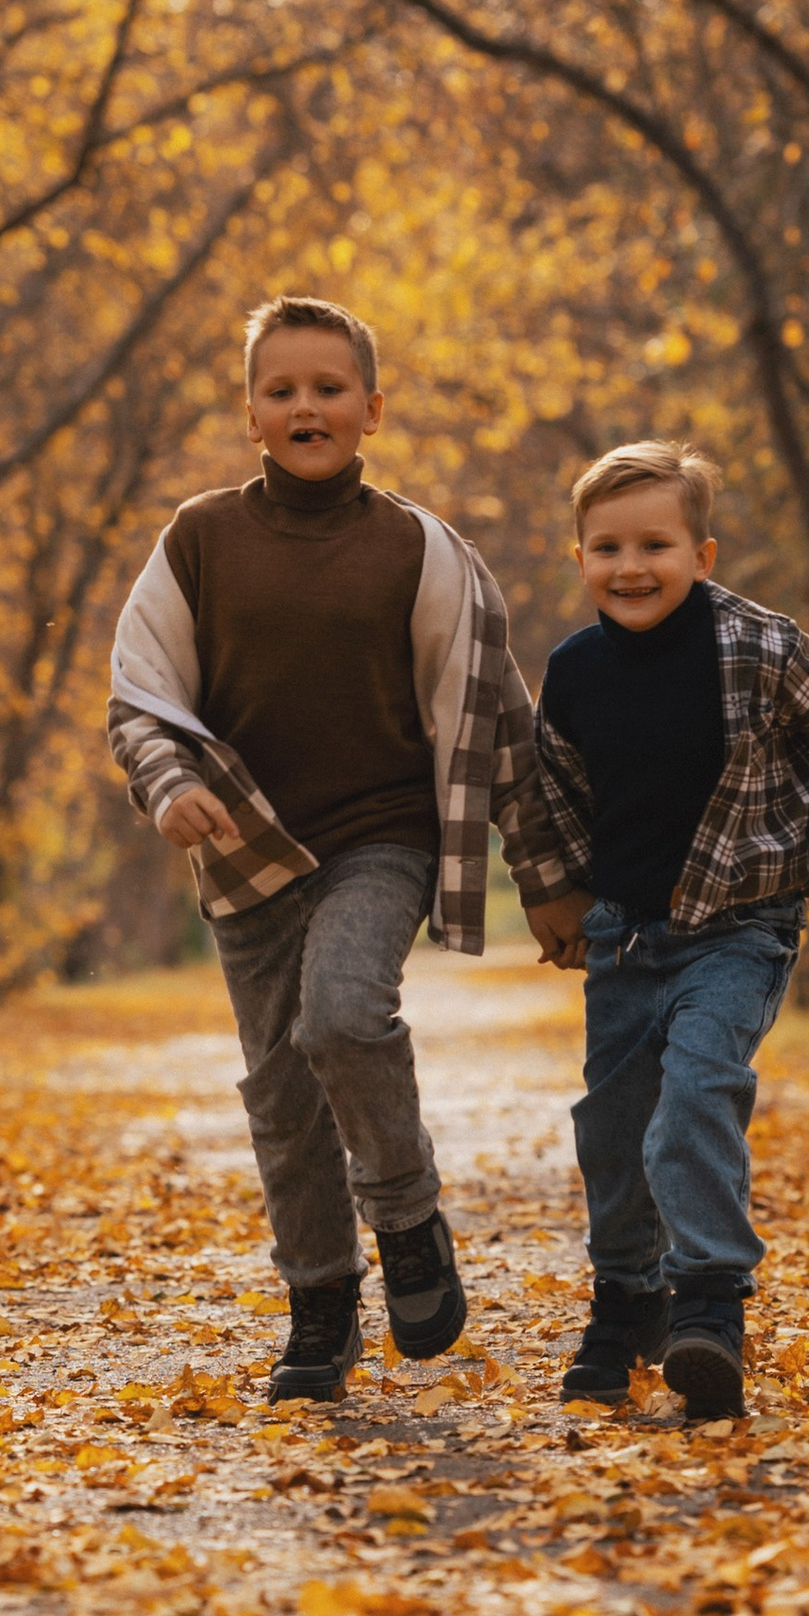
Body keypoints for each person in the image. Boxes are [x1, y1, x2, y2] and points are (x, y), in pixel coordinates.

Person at [107, 296, 587, 1401]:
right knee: (279, 1094)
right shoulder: (199, 539)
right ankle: (320, 1310)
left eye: (328, 388)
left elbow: (496, 718)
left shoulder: (420, 550)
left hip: (382, 834)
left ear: (370, 410)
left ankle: (407, 1214)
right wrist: (168, 784)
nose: (305, 406)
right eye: (281, 390)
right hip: (245, 847)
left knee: (341, 1012)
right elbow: (139, 693)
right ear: (251, 415)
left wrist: (548, 878)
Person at [534, 441, 809, 1425]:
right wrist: (561, 893)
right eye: (606, 547)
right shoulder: (574, 672)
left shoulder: (759, 648)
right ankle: (625, 1300)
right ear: (579, 559)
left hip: (743, 924)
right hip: (626, 938)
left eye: (656, 544)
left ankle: (709, 1308)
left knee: (694, 1098)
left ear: (704, 552)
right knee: (609, 1129)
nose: (630, 567)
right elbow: (555, 789)